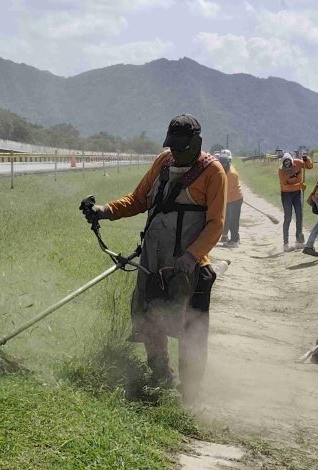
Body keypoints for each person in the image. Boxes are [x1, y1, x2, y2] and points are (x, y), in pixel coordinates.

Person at [80, 114, 227, 401]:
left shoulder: (213, 173)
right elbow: (138, 200)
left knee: (191, 329)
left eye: (181, 147)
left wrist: (191, 256)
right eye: (172, 146)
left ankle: (191, 394)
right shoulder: (163, 162)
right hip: (153, 259)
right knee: (148, 317)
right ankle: (160, 375)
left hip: (189, 268)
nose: (175, 152)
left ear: (196, 142)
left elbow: (215, 224)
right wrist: (105, 210)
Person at [279, 152, 313, 252]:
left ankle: (299, 241)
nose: (288, 170)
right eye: (286, 166)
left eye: (289, 165)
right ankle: (286, 244)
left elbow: (309, 166)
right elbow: (285, 186)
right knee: (288, 217)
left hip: (297, 194)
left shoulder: (298, 163)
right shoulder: (281, 170)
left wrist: (307, 159)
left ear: (292, 162)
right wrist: (299, 185)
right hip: (286, 195)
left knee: (299, 215)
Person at [219, 150, 242, 247]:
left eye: (223, 165)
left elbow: (227, 190)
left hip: (235, 198)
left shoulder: (231, 174)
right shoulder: (224, 170)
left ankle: (234, 241)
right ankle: (234, 237)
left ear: (227, 164)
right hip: (229, 198)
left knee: (233, 220)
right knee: (228, 218)